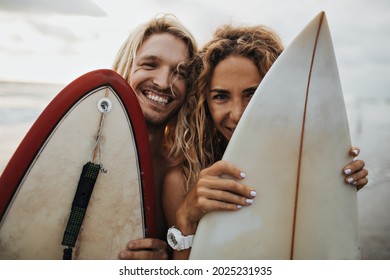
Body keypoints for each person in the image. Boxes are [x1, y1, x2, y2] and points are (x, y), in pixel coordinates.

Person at [162, 24, 369, 259]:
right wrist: (187, 217)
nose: (238, 114)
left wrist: (337, 191)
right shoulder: (183, 179)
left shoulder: (305, 166)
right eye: (221, 96)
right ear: (204, 104)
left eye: (253, 94)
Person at [112, 14, 198, 260]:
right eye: (150, 65)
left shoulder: (186, 171)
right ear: (125, 68)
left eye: (180, 73)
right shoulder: (79, 153)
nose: (163, 82)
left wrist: (165, 262)